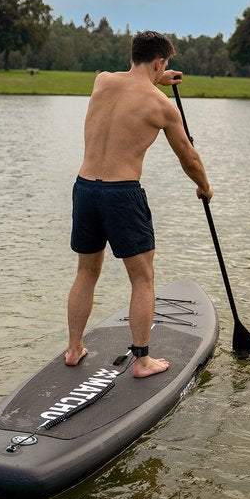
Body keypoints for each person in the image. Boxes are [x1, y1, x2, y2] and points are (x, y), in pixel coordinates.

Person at [65, 30, 213, 378]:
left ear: (134, 55)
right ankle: (143, 361)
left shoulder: (102, 81)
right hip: (122, 194)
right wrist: (204, 187)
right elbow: (189, 158)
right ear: (160, 62)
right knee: (142, 278)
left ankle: (74, 348)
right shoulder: (162, 106)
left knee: (86, 272)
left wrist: (158, 77)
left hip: (85, 189)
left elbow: (134, 81)